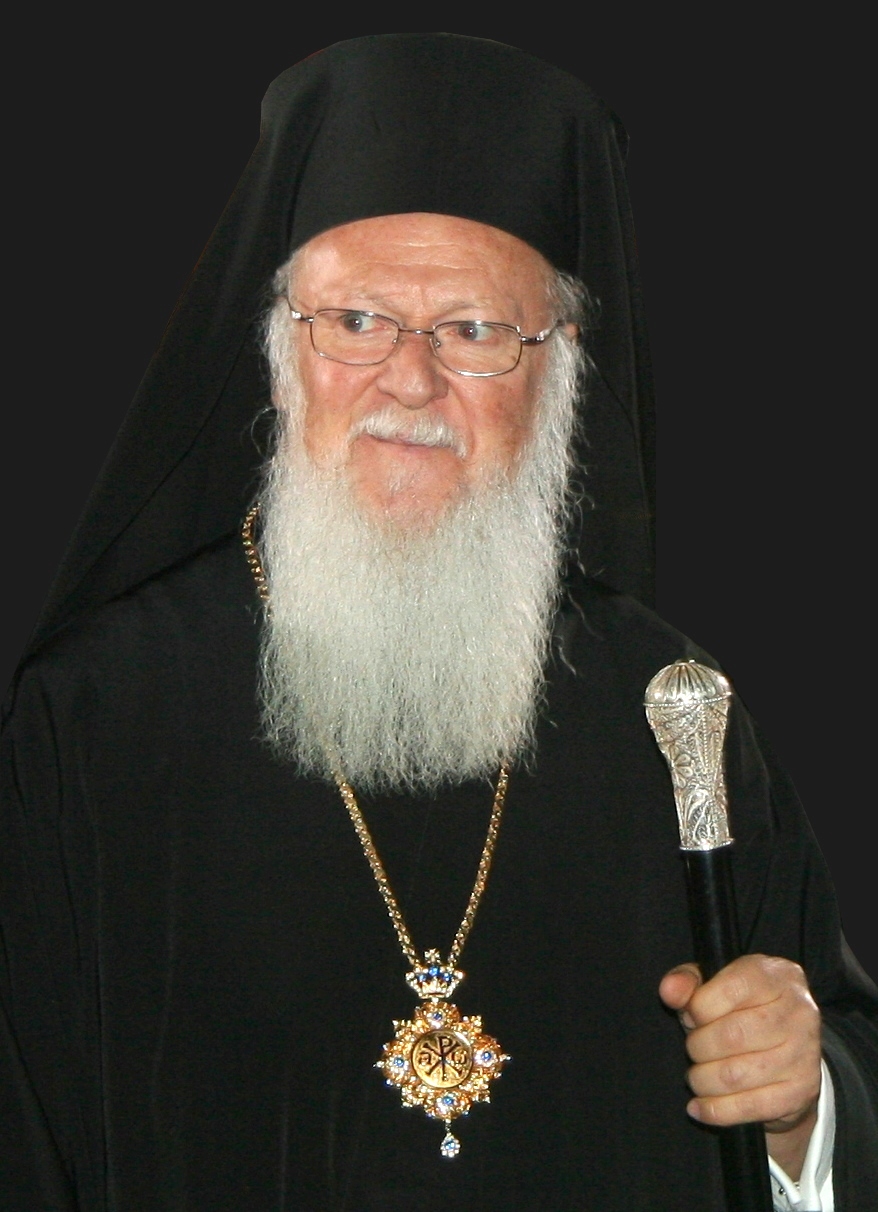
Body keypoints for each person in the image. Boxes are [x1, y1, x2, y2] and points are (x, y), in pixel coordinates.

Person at [1, 33, 875, 1210]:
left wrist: (800, 1112)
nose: (407, 384)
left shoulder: (668, 706)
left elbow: (825, 1053)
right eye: (355, 320)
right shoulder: (90, 718)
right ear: (277, 355)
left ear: (557, 372)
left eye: (471, 332)